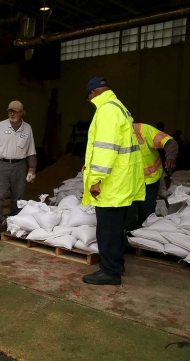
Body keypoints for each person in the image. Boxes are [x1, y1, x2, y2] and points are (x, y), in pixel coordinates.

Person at [82, 77, 145, 286]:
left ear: (93, 94)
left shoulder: (107, 110)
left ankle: (109, 271)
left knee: (107, 230)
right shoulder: (120, 108)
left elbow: (105, 148)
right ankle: (116, 265)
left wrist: (96, 179)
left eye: (89, 98)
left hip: (111, 183)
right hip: (122, 181)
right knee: (116, 228)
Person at [0, 100, 37, 240]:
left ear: (22, 113)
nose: (12, 113)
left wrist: (32, 169)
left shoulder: (27, 128)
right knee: (0, 196)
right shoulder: (0, 126)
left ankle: (13, 225)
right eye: (10, 111)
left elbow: (31, 150)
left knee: (18, 198)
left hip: (19, 165)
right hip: (2, 165)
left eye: (15, 111)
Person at [126, 123, 178, 229]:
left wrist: (170, 156)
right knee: (128, 215)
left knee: (147, 214)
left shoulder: (142, 130)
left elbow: (170, 142)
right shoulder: (111, 134)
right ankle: (129, 238)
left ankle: (144, 237)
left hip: (149, 179)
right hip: (128, 181)